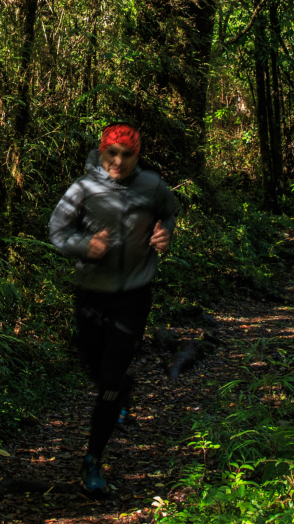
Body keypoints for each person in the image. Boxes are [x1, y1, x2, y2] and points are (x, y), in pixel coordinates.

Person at [48, 123, 177, 495]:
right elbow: (57, 232)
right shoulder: (82, 189)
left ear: (138, 156)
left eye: (127, 155)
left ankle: (92, 460)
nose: (118, 161)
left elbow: (169, 212)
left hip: (134, 295)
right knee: (95, 365)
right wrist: (84, 245)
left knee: (107, 381)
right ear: (101, 152)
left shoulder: (152, 185)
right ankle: (122, 389)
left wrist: (166, 233)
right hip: (90, 295)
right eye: (112, 154)